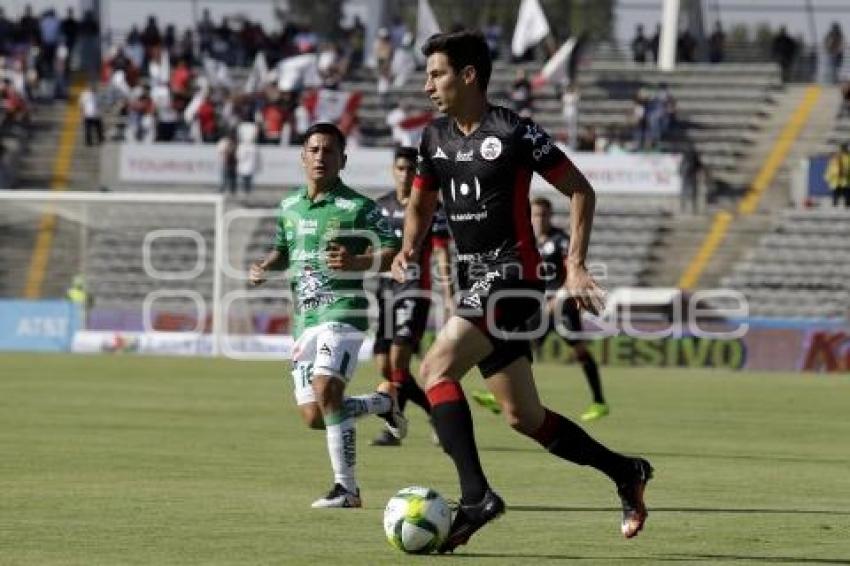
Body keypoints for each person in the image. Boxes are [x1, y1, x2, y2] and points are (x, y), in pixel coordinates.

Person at [392, 30, 652, 553]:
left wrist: (575, 265)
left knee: (434, 368)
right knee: (523, 417)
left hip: (514, 274)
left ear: (468, 76)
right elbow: (420, 203)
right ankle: (626, 471)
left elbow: (580, 188)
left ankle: (476, 497)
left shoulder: (513, 131)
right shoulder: (432, 138)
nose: (428, 86)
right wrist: (409, 247)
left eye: (437, 73)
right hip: (476, 279)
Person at [249, 122, 405, 508]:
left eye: (329, 151)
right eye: (314, 150)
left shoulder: (359, 207)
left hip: (345, 313)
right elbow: (283, 248)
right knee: (316, 415)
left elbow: (395, 250)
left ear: (343, 160)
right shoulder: (288, 206)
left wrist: (358, 260)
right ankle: (383, 404)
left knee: (325, 388)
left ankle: (347, 489)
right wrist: (266, 266)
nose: (321, 157)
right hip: (304, 320)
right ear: (303, 156)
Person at [471, 197, 609, 421]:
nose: (539, 219)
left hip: (561, 306)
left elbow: (573, 274)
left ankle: (599, 402)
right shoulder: (525, 241)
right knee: (522, 349)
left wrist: (559, 299)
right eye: (535, 215)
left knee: (579, 351)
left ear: (550, 216)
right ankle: (500, 396)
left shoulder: (561, 241)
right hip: (537, 305)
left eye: (543, 215)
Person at [371, 146, 453, 446]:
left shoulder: (432, 206)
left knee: (398, 361)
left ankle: (393, 427)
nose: (405, 174)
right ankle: (434, 412)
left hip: (415, 290)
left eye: (411, 169)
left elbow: (442, 251)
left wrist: (449, 292)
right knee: (385, 365)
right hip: (385, 292)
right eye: (401, 168)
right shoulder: (379, 207)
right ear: (393, 170)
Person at [824, 143, 850, 208]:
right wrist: (827, 177)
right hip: (836, 181)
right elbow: (830, 168)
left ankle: (846, 209)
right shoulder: (835, 158)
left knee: (847, 198)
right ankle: (835, 209)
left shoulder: (848, 157)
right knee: (835, 198)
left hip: (845, 181)